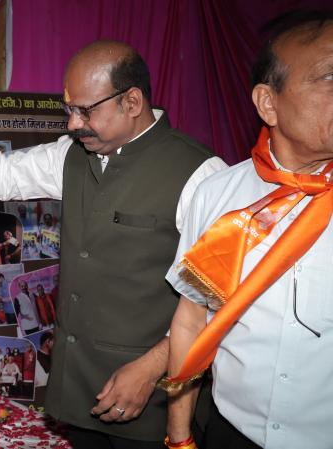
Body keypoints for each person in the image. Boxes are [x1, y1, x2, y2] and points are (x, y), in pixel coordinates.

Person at [0, 40, 228, 448]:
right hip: (81, 391)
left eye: (85, 110)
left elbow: (220, 300)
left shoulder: (201, 175)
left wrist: (152, 367)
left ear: (132, 102)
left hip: (154, 397)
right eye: (69, 109)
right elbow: (2, 175)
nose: (73, 124)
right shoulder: (71, 156)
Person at [164, 11, 333, 449]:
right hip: (230, 433)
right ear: (268, 103)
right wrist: (179, 437)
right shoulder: (216, 195)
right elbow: (191, 321)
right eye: (330, 77)